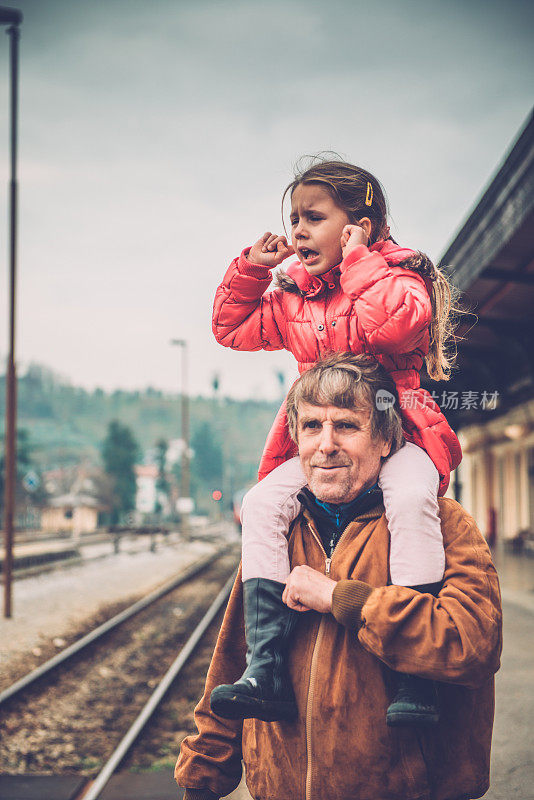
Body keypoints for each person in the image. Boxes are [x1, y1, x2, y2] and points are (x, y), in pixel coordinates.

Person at [175, 354, 502, 800]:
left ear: (386, 439)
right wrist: (202, 779)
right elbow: (234, 659)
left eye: (346, 425)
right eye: (312, 427)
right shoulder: (278, 534)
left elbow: (472, 645)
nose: (325, 444)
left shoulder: (445, 524)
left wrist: (341, 599)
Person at [210, 158, 462, 727]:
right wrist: (251, 268)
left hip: (396, 430)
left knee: (410, 497)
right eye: (293, 218)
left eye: (313, 217)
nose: (297, 230)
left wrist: (359, 264)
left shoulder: (396, 276)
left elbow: (397, 327)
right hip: (321, 442)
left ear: (359, 225)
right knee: (262, 503)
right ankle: (266, 671)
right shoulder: (293, 298)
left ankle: (413, 676)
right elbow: (230, 329)